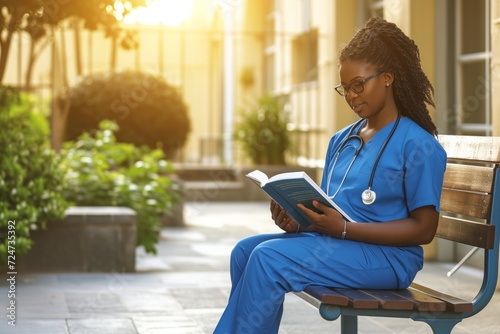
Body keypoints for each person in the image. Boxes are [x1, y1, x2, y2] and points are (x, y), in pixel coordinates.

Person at [213, 17, 447, 334]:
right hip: (337, 243)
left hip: (388, 259)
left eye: (359, 85)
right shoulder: (342, 140)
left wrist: (346, 230)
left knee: (269, 259)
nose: (351, 96)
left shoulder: (417, 145)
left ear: (388, 78)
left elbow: (424, 229)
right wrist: (298, 221)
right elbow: (329, 209)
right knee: (244, 251)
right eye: (345, 88)